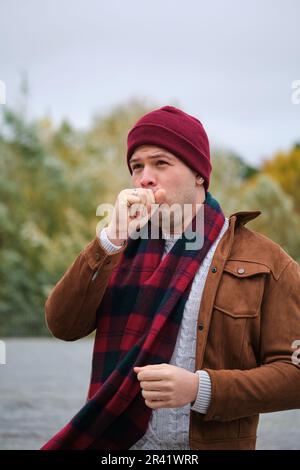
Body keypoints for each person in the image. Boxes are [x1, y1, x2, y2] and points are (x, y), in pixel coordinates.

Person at [42, 106, 300, 451]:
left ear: (199, 175)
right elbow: (63, 324)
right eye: (137, 166)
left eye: (161, 163)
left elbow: (294, 376)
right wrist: (110, 239)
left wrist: (200, 389)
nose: (145, 177)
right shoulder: (117, 248)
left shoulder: (266, 261)